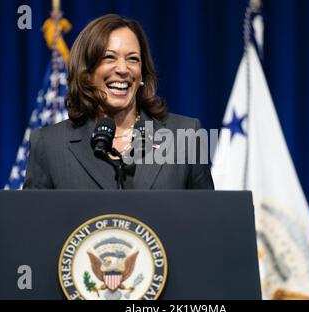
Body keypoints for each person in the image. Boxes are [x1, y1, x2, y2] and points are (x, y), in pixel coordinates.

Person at [24, 14, 214, 190]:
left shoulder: (185, 135)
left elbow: (205, 219)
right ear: (87, 73)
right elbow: (34, 223)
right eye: (109, 57)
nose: (123, 69)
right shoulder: (49, 145)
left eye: (133, 59)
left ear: (142, 73)